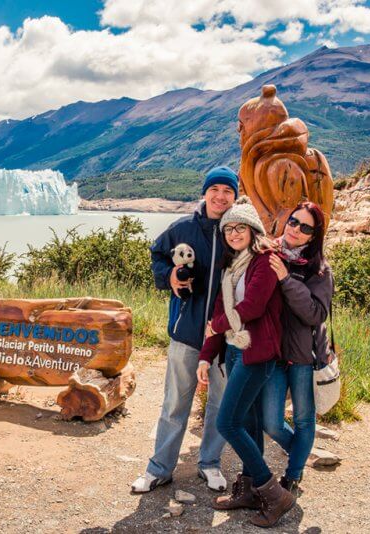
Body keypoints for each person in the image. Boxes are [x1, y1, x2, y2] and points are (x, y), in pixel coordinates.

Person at [131, 166, 238, 494]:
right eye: (215, 189)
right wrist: (169, 277)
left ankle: (209, 463)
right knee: (175, 402)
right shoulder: (181, 228)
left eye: (227, 191)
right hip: (186, 332)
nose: (220, 196)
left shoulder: (238, 231)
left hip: (224, 338)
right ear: (204, 192)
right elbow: (157, 256)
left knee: (220, 404)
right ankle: (160, 468)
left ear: (235, 196)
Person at [197, 196, 296, 528]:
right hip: (236, 350)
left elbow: (252, 307)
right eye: (228, 229)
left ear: (253, 229)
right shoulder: (233, 264)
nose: (234, 233)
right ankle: (251, 489)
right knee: (250, 424)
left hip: (257, 352)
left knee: (228, 423)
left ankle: (275, 494)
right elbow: (219, 313)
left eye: (240, 227)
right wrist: (206, 354)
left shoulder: (265, 260)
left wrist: (220, 326)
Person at [262, 201, 334, 494]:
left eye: (305, 227)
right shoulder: (268, 253)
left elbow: (316, 314)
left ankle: (293, 475)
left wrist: (286, 279)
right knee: (271, 422)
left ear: (313, 235)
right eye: (293, 221)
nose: (296, 229)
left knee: (304, 418)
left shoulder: (319, 270)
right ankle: (300, 454)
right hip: (274, 354)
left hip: (304, 356)